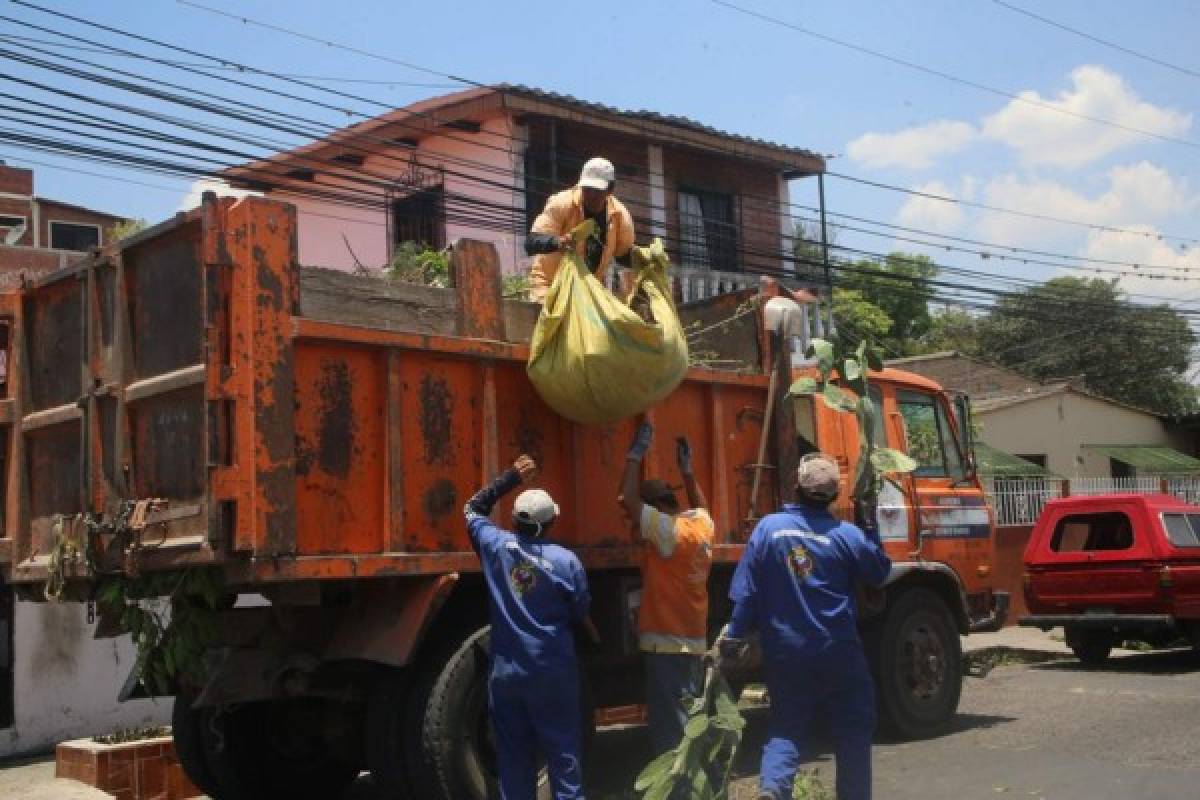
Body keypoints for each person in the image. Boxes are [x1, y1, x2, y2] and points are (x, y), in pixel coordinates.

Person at [718, 454, 891, 800]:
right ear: (833, 497)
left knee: (787, 726)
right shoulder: (847, 536)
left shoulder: (768, 529)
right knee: (853, 730)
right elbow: (880, 572)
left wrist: (734, 636)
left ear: (796, 487)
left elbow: (748, 593)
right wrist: (870, 525)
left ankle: (773, 790)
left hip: (786, 650)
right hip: (838, 650)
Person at [464, 455, 601, 800]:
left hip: (507, 674)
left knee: (513, 758)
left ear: (513, 521)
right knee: (563, 755)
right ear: (551, 521)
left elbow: (472, 509)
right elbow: (579, 609)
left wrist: (511, 477)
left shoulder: (496, 547)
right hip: (552, 672)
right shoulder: (566, 562)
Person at [618, 422, 714, 756]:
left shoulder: (667, 532)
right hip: (692, 641)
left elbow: (627, 499)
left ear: (657, 507)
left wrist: (635, 454)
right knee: (689, 721)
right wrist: (688, 472)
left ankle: (680, 791)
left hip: (667, 646)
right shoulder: (702, 526)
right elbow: (701, 504)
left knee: (671, 735)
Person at [524, 156, 635, 302]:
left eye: (597, 191)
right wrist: (559, 242)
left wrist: (646, 259)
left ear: (610, 189)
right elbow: (531, 242)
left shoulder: (620, 216)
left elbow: (623, 256)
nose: (591, 196)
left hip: (588, 295)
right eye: (587, 189)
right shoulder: (562, 203)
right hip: (550, 290)